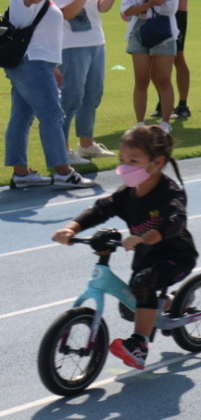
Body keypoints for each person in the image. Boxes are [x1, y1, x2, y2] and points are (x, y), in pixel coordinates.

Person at [52, 126, 189, 367]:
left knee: (143, 285)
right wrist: (72, 228)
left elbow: (174, 222)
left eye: (133, 161)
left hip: (174, 255)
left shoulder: (169, 193)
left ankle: (139, 345)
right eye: (122, 160)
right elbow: (100, 209)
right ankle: (169, 305)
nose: (125, 166)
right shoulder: (127, 194)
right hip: (145, 257)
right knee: (130, 308)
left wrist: (145, 237)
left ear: (157, 162)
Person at [6, 0, 96, 188]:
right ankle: (62, 171)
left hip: (34, 61)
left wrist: (52, 66)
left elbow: (40, 29)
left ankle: (22, 173)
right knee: (52, 115)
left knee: (22, 117)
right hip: (32, 62)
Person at [47, 0, 120, 163]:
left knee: (92, 95)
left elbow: (102, 7)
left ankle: (86, 144)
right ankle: (63, 148)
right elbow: (65, 14)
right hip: (71, 46)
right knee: (71, 96)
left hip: (96, 43)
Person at [120, 0, 179, 134]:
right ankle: (139, 122)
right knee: (141, 79)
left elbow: (171, 8)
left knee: (163, 78)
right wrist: (152, 4)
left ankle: (165, 121)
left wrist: (143, 7)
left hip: (163, 30)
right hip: (139, 30)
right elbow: (126, 11)